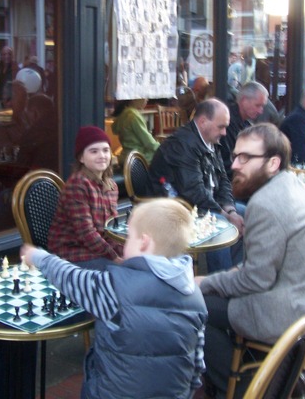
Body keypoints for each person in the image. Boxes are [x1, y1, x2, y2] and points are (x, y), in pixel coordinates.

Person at [196, 123, 305, 398]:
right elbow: (260, 270)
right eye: (234, 156)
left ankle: (241, 390)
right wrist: (225, 278)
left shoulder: (266, 203)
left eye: (245, 157)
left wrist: (204, 281)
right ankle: (266, 373)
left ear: (273, 162)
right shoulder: (292, 184)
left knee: (194, 307)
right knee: (215, 295)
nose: (234, 164)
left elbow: (256, 279)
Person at [22, 198, 207, 398]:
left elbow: (71, 279)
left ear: (144, 242)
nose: (124, 242)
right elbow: (197, 363)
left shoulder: (114, 287)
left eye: (129, 237)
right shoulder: (196, 297)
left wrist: (39, 257)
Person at [148, 99, 244, 273]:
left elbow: (223, 180)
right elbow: (193, 191)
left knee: (246, 213)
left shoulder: (211, 140)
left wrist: (231, 210)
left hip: (202, 202)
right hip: (175, 206)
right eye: (221, 126)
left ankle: (236, 273)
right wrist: (225, 215)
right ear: (202, 122)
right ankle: (219, 285)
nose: (224, 132)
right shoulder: (183, 145)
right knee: (221, 225)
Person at [46, 126, 123, 269]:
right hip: (72, 251)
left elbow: (111, 229)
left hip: (97, 249)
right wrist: (115, 257)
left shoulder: (112, 186)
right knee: (123, 271)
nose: (102, 155)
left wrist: (123, 251)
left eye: (106, 150)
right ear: (81, 157)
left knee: (140, 261)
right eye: (94, 151)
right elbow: (86, 233)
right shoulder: (78, 184)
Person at [220, 81, 269, 179]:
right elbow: (227, 164)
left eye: (262, 106)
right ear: (243, 101)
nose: (261, 111)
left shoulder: (247, 124)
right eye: (258, 105)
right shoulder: (226, 123)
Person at [111, 98, 160, 164]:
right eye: (144, 97)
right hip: (139, 156)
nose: (147, 99)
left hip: (125, 155)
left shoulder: (123, 114)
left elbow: (114, 130)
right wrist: (162, 148)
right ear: (134, 99)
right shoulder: (134, 116)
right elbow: (148, 142)